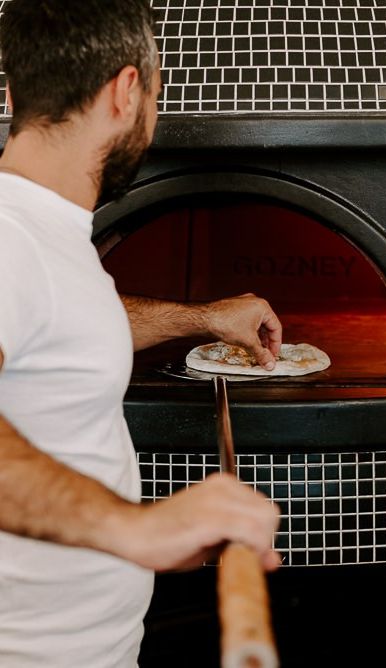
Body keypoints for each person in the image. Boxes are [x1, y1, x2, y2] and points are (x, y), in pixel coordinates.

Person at [0, 1, 282, 665]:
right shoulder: (10, 238)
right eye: (154, 95)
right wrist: (139, 527)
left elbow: (57, 329)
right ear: (128, 91)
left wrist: (201, 317)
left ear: (15, 94)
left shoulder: (43, 235)